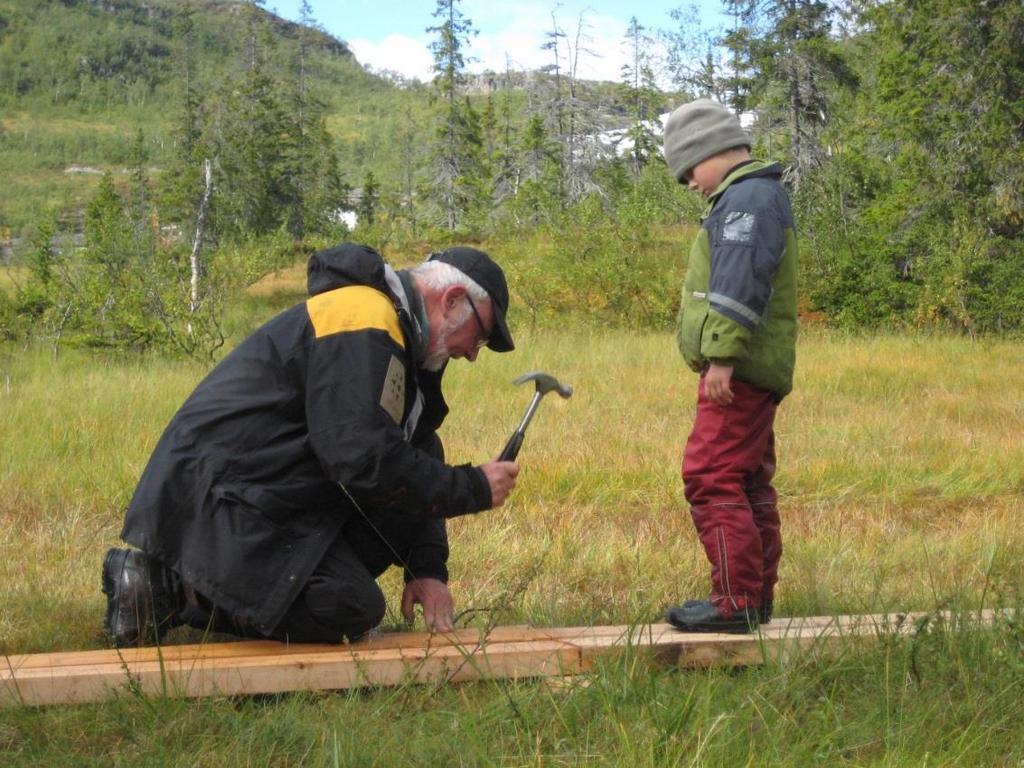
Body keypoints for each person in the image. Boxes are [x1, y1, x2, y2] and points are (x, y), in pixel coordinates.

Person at [102, 242, 520, 646]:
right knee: (348, 607)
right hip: (218, 498)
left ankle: (200, 585)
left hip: (270, 493)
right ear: (451, 300)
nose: (472, 354)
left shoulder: (401, 340)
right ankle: (164, 587)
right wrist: (475, 487)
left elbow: (418, 450)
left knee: (371, 547)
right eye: (479, 335)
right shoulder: (363, 315)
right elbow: (359, 458)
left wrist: (426, 568)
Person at [661, 99, 799, 633]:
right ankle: (754, 598)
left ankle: (735, 601)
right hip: (750, 368)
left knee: (711, 475)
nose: (691, 183)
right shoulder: (754, 196)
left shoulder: (747, 201)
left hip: (736, 371)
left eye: (688, 170)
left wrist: (720, 356)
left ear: (709, 151)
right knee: (747, 483)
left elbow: (740, 283)